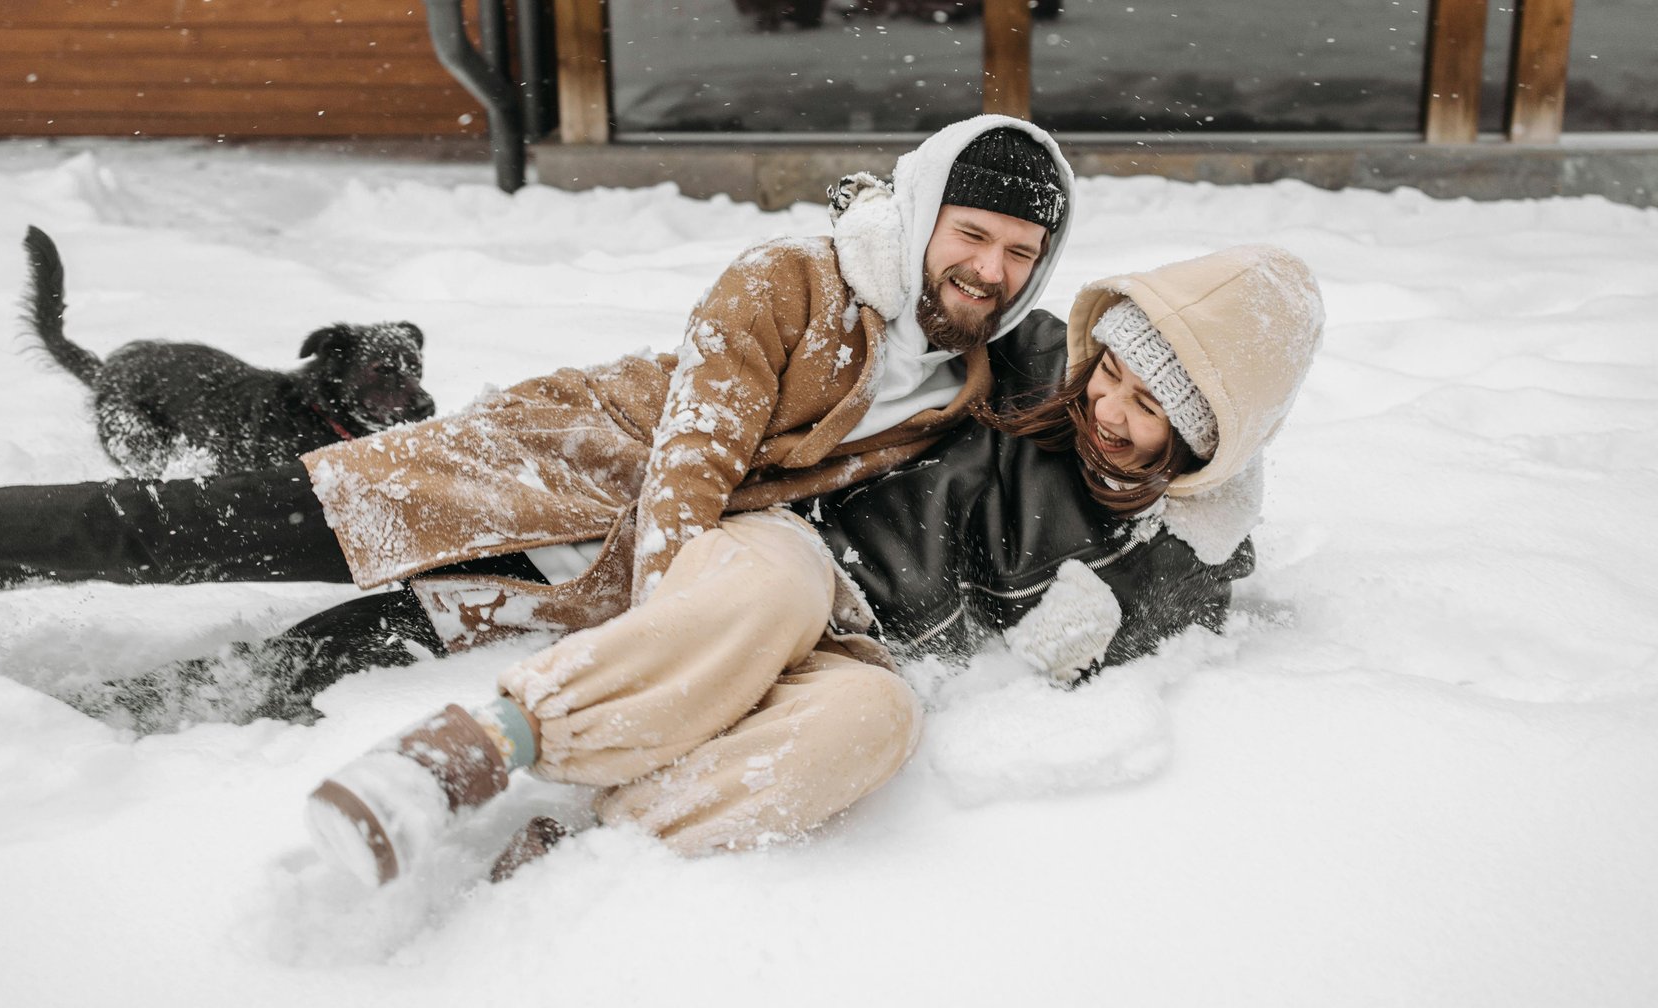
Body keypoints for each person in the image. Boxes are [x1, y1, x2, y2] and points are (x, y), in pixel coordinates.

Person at [0, 115, 1075, 728]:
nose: (990, 269)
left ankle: (92, 727)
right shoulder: (789, 281)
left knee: (329, 659)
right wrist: (667, 637)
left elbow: (1118, 409)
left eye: (1021, 254)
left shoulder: (966, 375)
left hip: (572, 569)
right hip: (517, 472)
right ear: (922, 214)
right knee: (178, 530)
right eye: (972, 234)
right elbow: (696, 453)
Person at [303, 243, 1326, 884]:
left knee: (874, 725)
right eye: (1114, 374)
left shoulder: (1177, 566)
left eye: (1149, 412)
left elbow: (1117, 672)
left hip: (861, 650)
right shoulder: (1031, 359)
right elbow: (927, 284)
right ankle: (475, 752)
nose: (1107, 409)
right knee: (771, 587)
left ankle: (590, 847)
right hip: (797, 549)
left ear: (1209, 447)